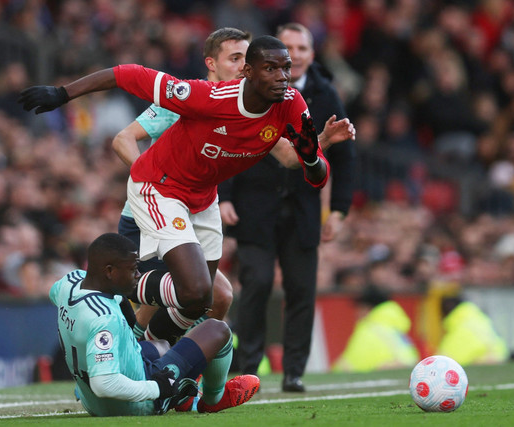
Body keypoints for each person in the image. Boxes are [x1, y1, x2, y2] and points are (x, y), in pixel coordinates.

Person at [20, 36, 354, 347]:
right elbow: (129, 75)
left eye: (286, 69)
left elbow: (314, 173)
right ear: (247, 72)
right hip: (160, 187)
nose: (283, 76)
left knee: (202, 299)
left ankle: (155, 350)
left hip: (203, 197)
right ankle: (98, 285)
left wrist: (313, 154)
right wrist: (63, 93)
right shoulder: (205, 97)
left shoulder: (291, 103)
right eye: (271, 68)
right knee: (194, 289)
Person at [113, 28, 357, 342]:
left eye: (247, 57)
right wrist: (160, 186)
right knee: (180, 293)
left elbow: (288, 156)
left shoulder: (253, 108)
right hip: (152, 212)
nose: (244, 65)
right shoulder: (186, 97)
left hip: (194, 212)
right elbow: (123, 139)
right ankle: (133, 356)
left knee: (218, 297)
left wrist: (319, 141)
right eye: (236, 58)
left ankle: (168, 365)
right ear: (212, 63)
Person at [217, 23, 355, 392]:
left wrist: (339, 209)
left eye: (300, 49)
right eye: (285, 47)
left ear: (309, 54)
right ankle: (247, 368)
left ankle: (293, 371)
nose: (290, 57)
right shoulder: (247, 88)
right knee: (257, 283)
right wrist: (225, 194)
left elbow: (345, 157)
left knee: (300, 290)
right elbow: (228, 137)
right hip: (254, 203)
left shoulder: (326, 94)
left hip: (304, 208)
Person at [50, 232, 259, 416]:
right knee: (218, 329)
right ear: (109, 271)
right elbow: (104, 384)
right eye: (133, 269)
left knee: (161, 346)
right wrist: (157, 388)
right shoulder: (104, 319)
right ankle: (213, 400)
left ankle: (183, 395)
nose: (138, 274)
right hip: (132, 405)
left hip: (92, 400)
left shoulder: (70, 283)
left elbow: (57, 295)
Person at [331, 285, 419, 373]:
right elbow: (411, 359)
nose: (356, 314)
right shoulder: (393, 328)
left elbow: (348, 366)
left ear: (366, 308)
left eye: (359, 308)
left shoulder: (368, 329)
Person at [437, 296, 510, 365]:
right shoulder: (478, 317)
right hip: (501, 357)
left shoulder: (457, 326)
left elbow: (441, 361)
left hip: (481, 364)